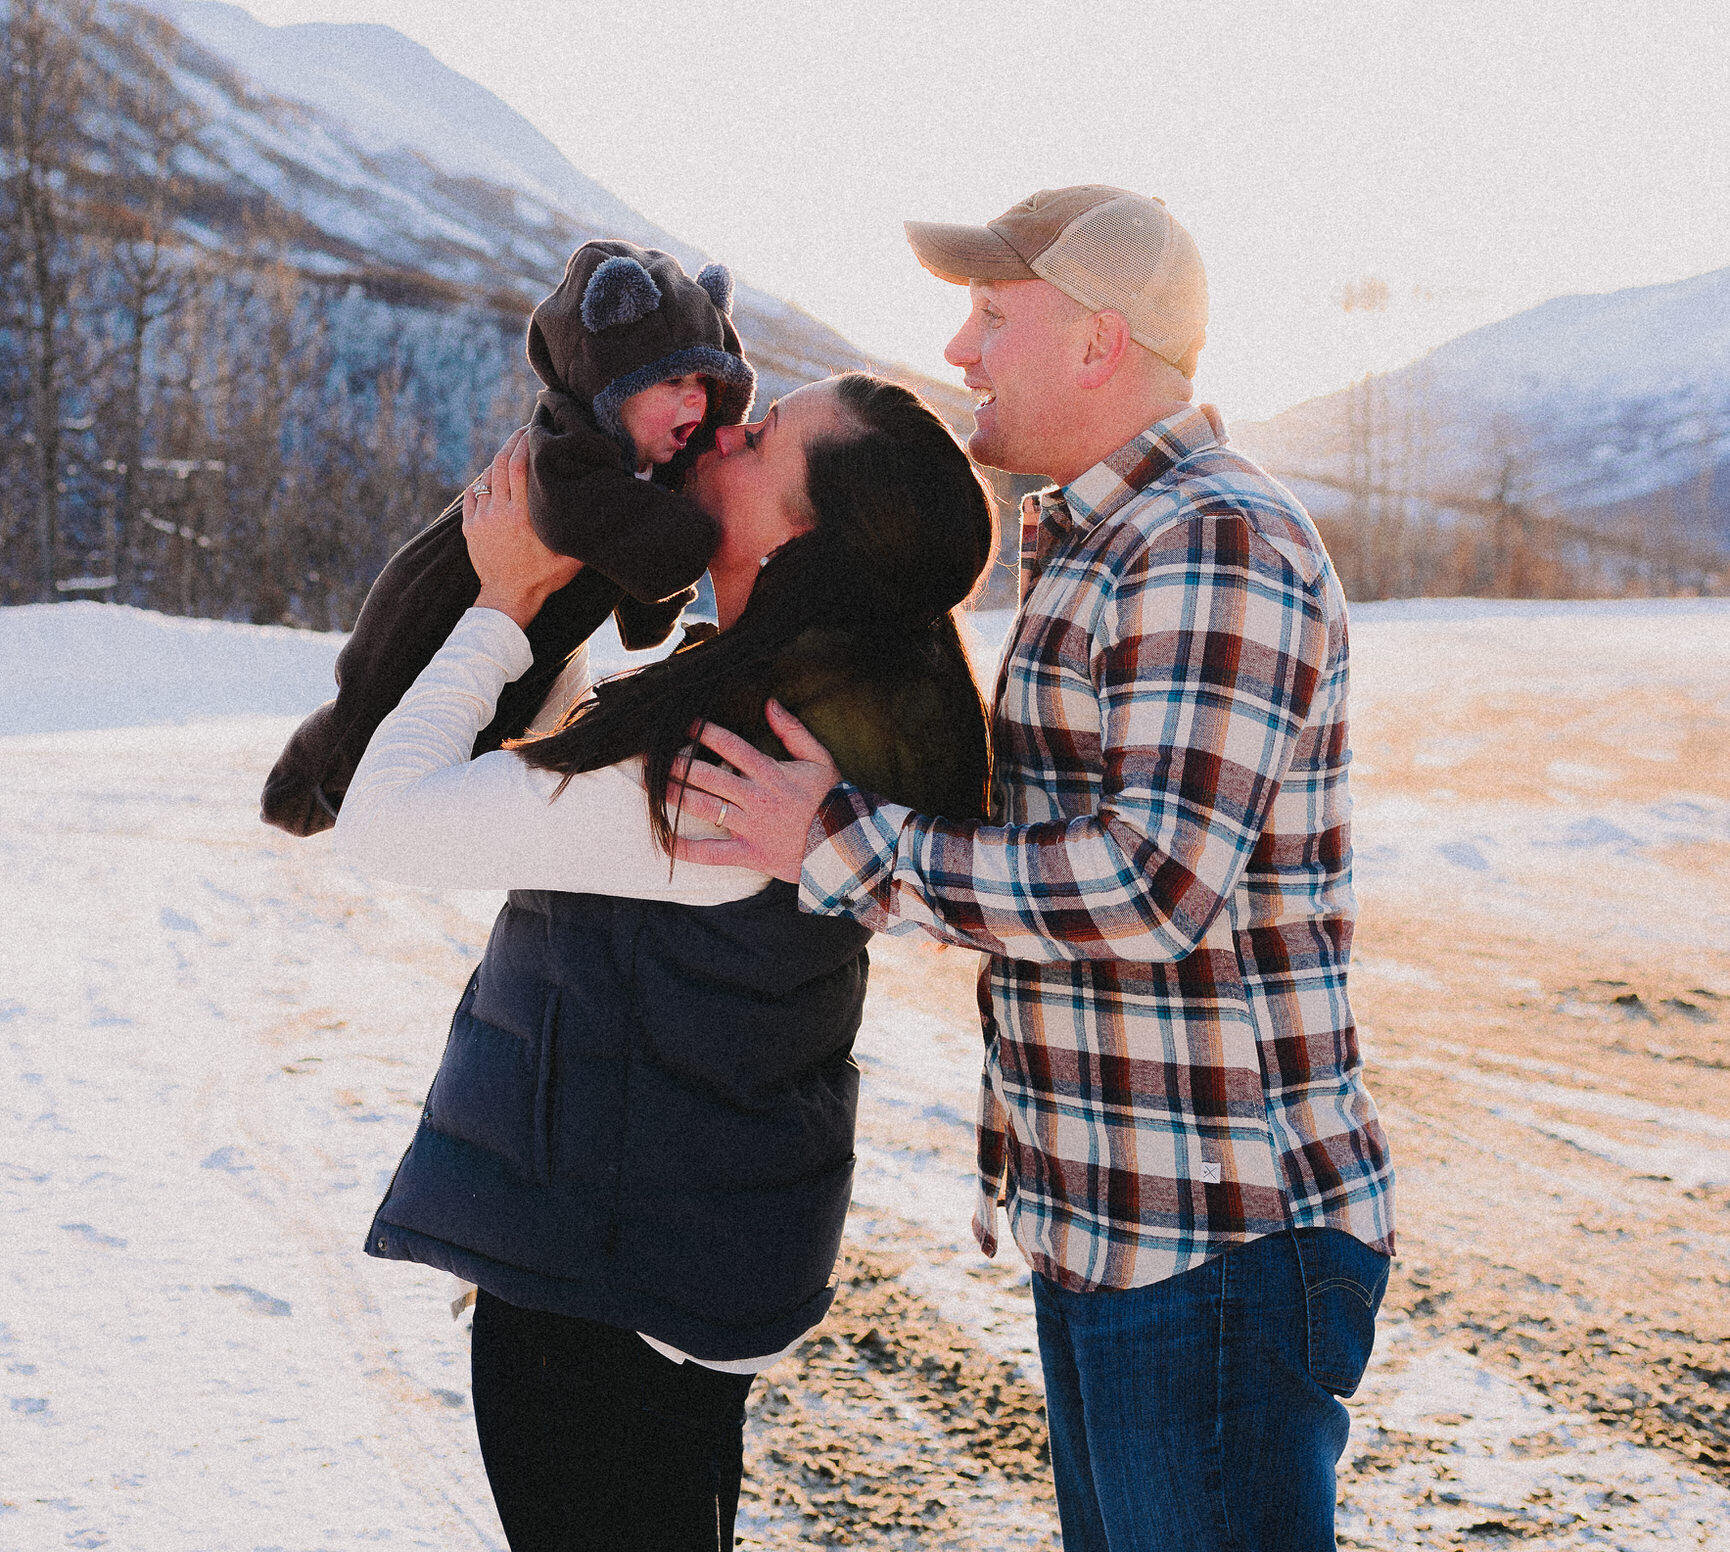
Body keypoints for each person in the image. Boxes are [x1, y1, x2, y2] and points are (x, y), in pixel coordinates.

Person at [673, 187, 1397, 1552]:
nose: (957, 351)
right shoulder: (1107, 537)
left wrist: (837, 842)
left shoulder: (1211, 539)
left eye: (993, 316)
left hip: (1217, 1235)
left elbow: (1148, 886)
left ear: (1096, 344)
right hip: (1123, 1219)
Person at [331, 370, 995, 1552]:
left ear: (803, 535)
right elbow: (555, 768)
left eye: (761, 438)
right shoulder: (828, 702)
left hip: (604, 1283)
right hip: (692, 1255)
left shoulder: (709, 767)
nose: (724, 433)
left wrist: (496, 606)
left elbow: (385, 825)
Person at [261, 239, 756, 837]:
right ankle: (299, 793)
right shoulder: (567, 447)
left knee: (484, 731)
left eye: (706, 380)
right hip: (431, 604)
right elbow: (623, 536)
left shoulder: (640, 471)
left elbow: (637, 566)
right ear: (612, 384)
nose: (697, 397)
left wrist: (653, 613)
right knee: (372, 711)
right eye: (672, 379)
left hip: (530, 635)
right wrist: (708, 530)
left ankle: (354, 793)